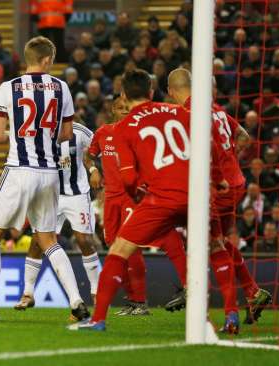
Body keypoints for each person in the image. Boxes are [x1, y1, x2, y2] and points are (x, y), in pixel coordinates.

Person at [0, 36, 89, 321]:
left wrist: (22, 134)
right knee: (48, 240)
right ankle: (77, 302)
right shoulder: (62, 87)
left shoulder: (8, 88)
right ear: (47, 60)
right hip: (49, 173)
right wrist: (43, 135)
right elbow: (67, 135)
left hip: (19, 169)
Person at [69, 69, 197, 331]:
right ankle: (206, 303)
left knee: (130, 247)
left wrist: (139, 193)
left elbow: (130, 178)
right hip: (120, 199)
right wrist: (93, 170)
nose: (122, 110)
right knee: (118, 245)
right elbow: (89, 155)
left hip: (140, 196)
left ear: (126, 97)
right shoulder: (106, 132)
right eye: (117, 108)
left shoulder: (129, 129)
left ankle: (127, 306)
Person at [165, 68, 271, 327]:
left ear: (170, 92)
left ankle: (230, 313)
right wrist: (229, 158)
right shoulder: (216, 110)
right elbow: (243, 137)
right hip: (235, 183)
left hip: (217, 187)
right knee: (220, 241)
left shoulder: (188, 113)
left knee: (213, 246)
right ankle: (252, 291)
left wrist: (217, 167)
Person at [13, 122, 101, 310]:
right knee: (37, 242)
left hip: (76, 194)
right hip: (48, 195)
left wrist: (93, 169)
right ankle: (28, 293)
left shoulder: (80, 131)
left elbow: (95, 149)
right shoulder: (37, 131)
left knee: (84, 240)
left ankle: (96, 289)